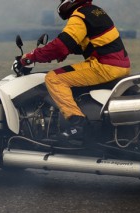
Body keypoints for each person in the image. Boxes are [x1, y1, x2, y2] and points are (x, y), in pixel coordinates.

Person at [20, 0, 130, 143]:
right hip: (121, 65)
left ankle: (78, 125)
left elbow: (60, 45)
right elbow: (89, 42)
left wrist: (31, 57)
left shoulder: (79, 16)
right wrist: (64, 51)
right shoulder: (95, 11)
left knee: (54, 78)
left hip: (105, 66)